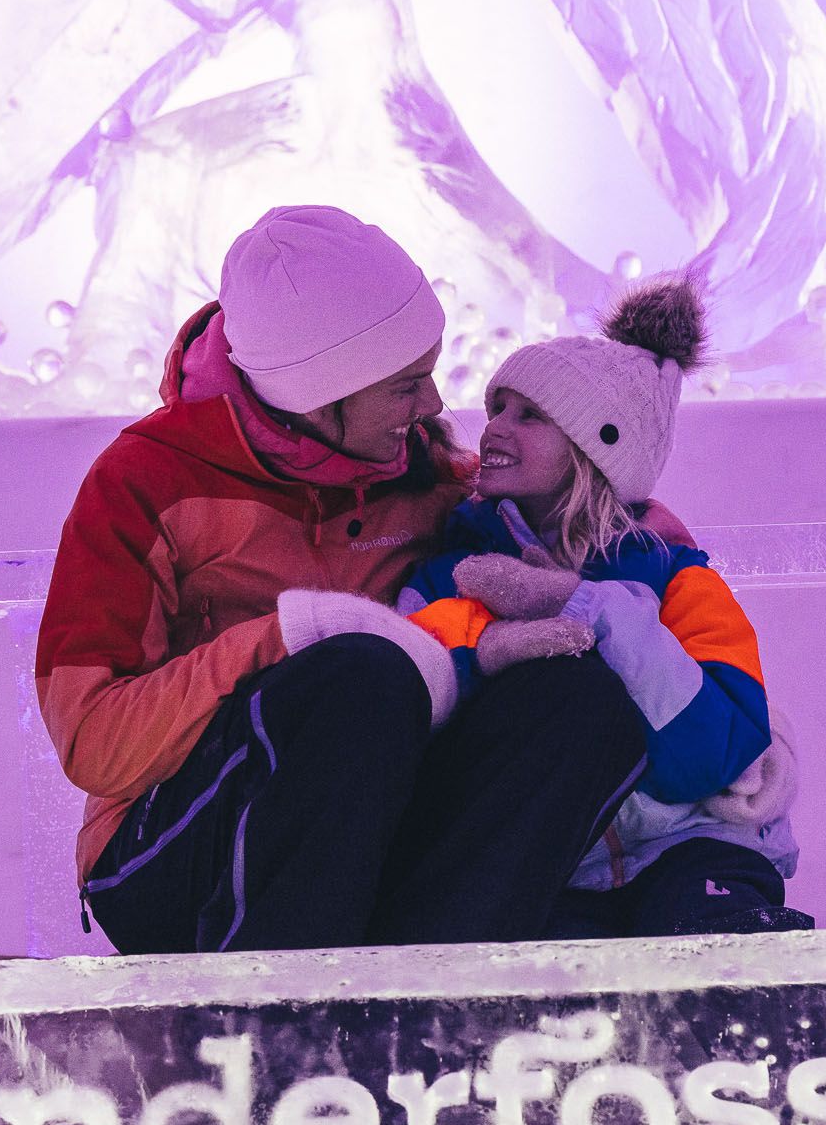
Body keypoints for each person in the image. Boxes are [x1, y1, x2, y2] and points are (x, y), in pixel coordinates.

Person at [35, 205, 649, 955]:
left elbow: (598, 525)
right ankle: (285, 1026)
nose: (431, 405)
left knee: (576, 697)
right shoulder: (143, 483)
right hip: (168, 862)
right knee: (362, 676)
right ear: (320, 393)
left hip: (366, 848)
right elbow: (94, 741)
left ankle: (430, 1012)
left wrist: (682, 610)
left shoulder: (428, 476)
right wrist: (291, 635)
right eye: (404, 386)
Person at [397, 275, 811, 939]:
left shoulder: (680, 580)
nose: (494, 429)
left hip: (694, 852)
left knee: (715, 944)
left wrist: (585, 606)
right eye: (497, 407)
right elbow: (420, 703)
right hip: (553, 865)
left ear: (597, 450)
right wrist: (494, 644)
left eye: (529, 415)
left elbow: (716, 756)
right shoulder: (450, 575)